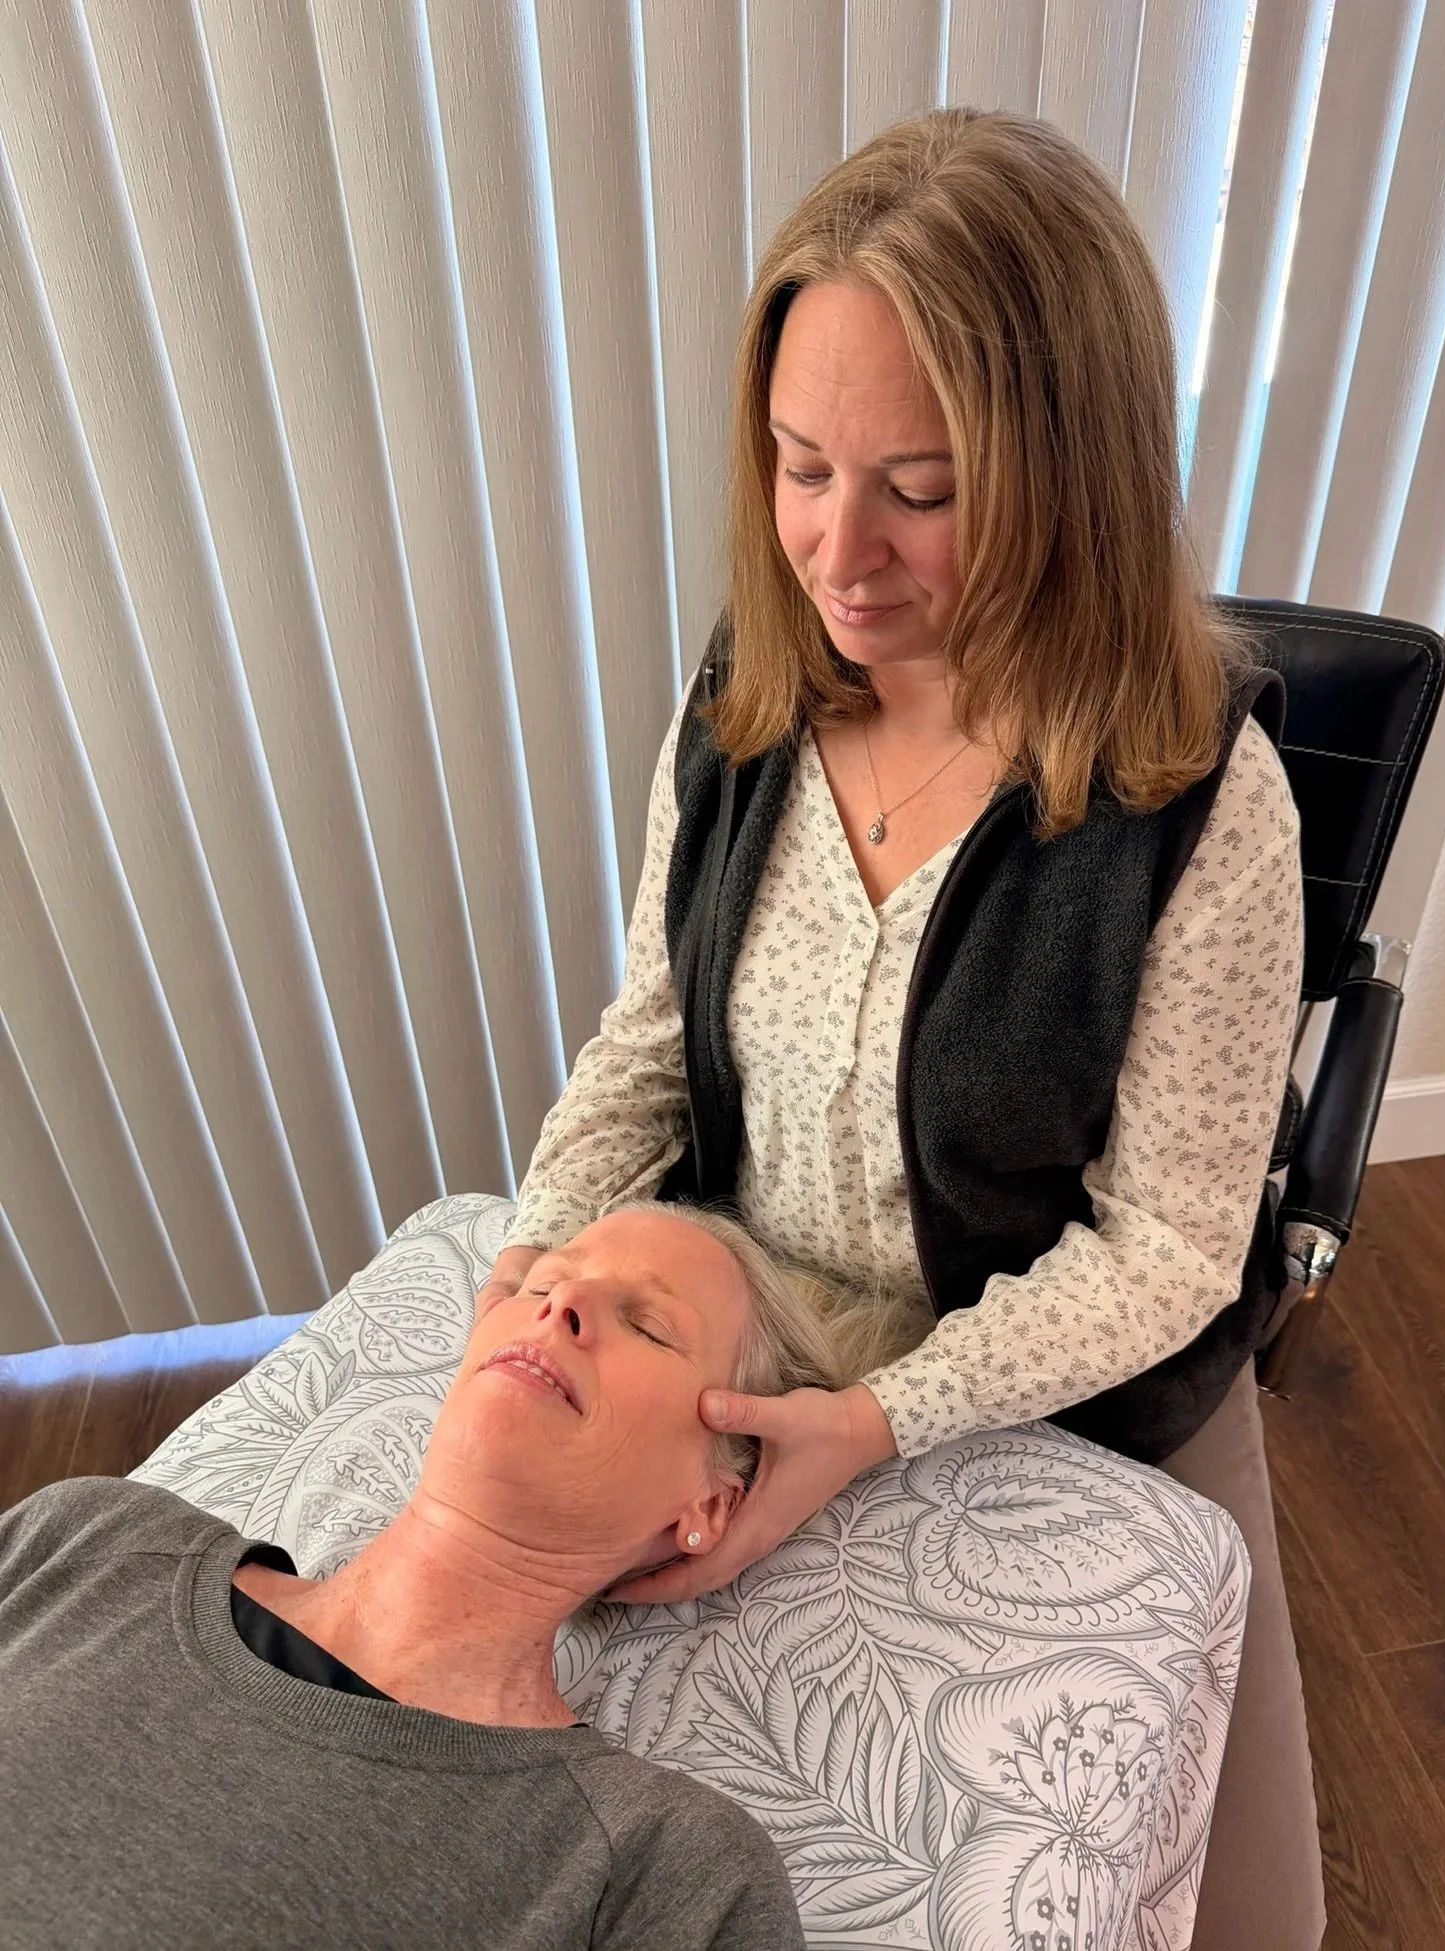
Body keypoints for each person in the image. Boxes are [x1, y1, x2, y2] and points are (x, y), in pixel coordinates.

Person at [476, 111, 1320, 1949]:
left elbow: (1172, 1241)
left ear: (1071, 475)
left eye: (918, 491)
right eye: (795, 467)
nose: (834, 558)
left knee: (1244, 1906)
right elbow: (648, 1032)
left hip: (1071, 1383)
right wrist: (534, 1252)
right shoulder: (747, 697)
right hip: (752, 1308)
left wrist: (876, 1417)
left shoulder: (1198, 801)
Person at [0, 1201, 916, 1951]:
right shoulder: (97, 1536)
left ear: (711, 1503)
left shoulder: (657, 1871)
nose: (557, 1306)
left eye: (647, 1325)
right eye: (542, 1282)